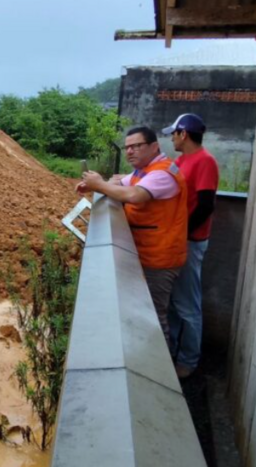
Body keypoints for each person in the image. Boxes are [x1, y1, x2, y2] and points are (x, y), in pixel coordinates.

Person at [76, 126, 188, 346]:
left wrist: (99, 184)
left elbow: (135, 195)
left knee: (154, 319)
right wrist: (97, 186)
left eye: (136, 146)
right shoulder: (143, 171)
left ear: (154, 147)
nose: (129, 151)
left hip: (159, 259)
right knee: (148, 314)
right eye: (127, 147)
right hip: (147, 253)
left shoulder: (161, 174)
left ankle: (161, 364)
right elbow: (121, 183)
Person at [162, 113, 219, 379]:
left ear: (183, 134)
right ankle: (171, 353)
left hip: (190, 241)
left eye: (173, 134)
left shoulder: (205, 161)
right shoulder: (180, 161)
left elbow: (206, 206)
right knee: (174, 302)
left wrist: (182, 233)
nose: (171, 139)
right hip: (178, 239)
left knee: (187, 304)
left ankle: (188, 360)